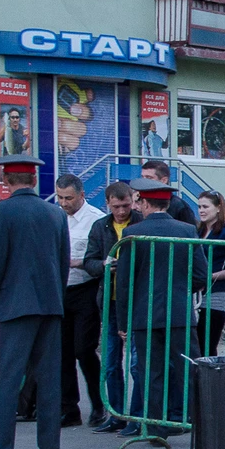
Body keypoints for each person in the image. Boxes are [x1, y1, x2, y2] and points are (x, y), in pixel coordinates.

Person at [0, 156, 69, 449]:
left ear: (6, 180)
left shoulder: (0, 211)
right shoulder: (55, 212)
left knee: (8, 380)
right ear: (34, 180)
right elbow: (62, 262)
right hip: (50, 305)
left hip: (14, 306)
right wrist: (56, 298)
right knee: (49, 380)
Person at [114, 178, 199, 439]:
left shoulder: (133, 233)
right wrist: (181, 290)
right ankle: (197, 421)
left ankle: (155, 428)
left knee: (152, 372)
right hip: (180, 312)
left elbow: (124, 282)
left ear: (145, 203)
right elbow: (201, 273)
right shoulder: (187, 230)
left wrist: (123, 321)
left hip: (145, 313)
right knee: (189, 368)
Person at [82, 182, 142, 433]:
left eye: (125, 205)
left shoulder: (140, 222)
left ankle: (137, 417)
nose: (121, 211)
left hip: (135, 301)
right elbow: (89, 261)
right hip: (110, 301)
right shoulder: (100, 226)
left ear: (133, 201)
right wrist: (104, 265)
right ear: (107, 203)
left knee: (136, 364)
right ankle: (116, 414)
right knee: (110, 363)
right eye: (116, 207)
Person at [53, 174, 106, 428]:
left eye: (69, 198)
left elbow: (100, 258)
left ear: (82, 195)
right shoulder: (55, 216)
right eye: (60, 197)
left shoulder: (95, 219)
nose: (64, 203)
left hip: (86, 289)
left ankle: (98, 403)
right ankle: (69, 408)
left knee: (84, 349)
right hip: (61, 289)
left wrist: (79, 263)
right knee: (62, 352)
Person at [195, 190, 225, 357]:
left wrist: (212, 276)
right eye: (199, 207)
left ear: (218, 208)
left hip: (216, 294)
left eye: (205, 207)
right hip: (195, 294)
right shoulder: (198, 231)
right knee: (195, 345)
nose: (201, 210)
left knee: (208, 344)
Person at [139, 159, 197, 228]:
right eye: (142, 177)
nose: (144, 181)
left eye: (149, 178)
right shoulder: (138, 201)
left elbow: (188, 231)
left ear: (164, 180)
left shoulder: (179, 206)